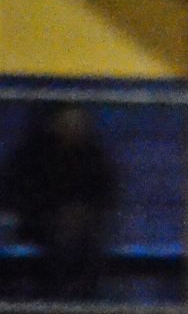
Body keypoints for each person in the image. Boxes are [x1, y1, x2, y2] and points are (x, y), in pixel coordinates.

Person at [0, 103, 118, 300]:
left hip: (83, 229)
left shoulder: (93, 156)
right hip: (37, 226)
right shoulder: (31, 156)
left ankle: (79, 299)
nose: (75, 126)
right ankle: (53, 297)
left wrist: (81, 213)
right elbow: (17, 195)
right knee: (63, 236)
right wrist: (52, 214)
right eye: (68, 120)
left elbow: (105, 194)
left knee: (82, 240)